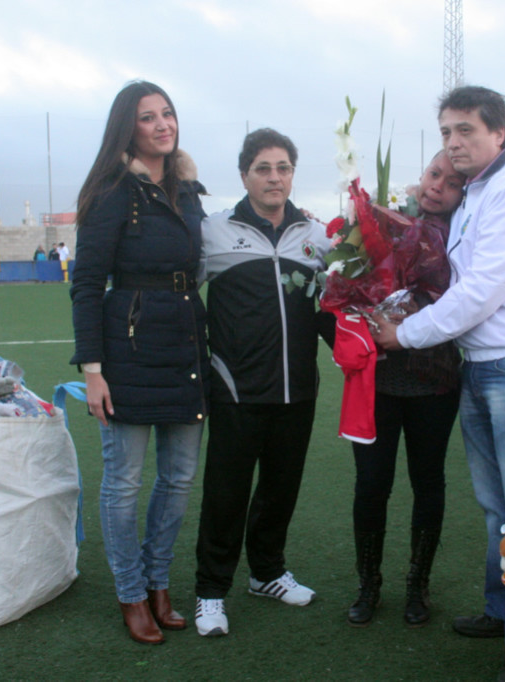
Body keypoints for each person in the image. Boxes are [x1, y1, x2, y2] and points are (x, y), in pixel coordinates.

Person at [371, 85, 505, 682]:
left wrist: (405, 334)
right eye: (446, 133)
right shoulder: (478, 191)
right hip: (484, 365)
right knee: (496, 510)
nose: (454, 143)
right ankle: (503, 611)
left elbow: (481, 290)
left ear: (499, 133)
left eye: (466, 130)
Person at [69, 80, 209, 645]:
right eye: (148, 117)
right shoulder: (111, 192)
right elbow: (86, 284)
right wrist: (92, 371)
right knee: (124, 482)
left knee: (178, 479)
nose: (162, 124)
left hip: (183, 344)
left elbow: (202, 257)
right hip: (126, 352)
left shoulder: (186, 189)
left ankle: (158, 583)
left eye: (167, 113)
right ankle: (131, 592)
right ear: (127, 129)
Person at [194, 128, 332, 637]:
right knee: (225, 494)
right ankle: (211, 591)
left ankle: (267, 573)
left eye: (283, 168)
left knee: (280, 489)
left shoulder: (317, 235)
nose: (275, 178)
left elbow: (340, 299)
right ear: (244, 175)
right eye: (264, 168)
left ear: (293, 174)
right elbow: (182, 294)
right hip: (236, 390)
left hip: (298, 390)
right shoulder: (213, 231)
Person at [346, 151, 464, 629]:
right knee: (371, 483)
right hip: (378, 377)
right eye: (434, 175)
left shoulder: (466, 233)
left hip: (434, 379)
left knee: (428, 481)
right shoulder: (383, 219)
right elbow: (349, 278)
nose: (438, 186)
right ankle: (368, 583)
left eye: (452, 183)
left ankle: (418, 582)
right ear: (421, 175)